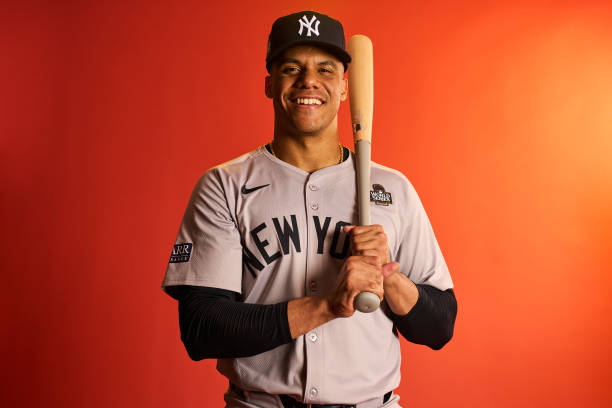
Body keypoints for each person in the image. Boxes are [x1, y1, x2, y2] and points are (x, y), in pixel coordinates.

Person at [162, 10, 457, 408]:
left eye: (325, 69)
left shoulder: (392, 189)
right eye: (291, 67)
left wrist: (388, 277)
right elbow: (202, 328)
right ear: (269, 84)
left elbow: (440, 326)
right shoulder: (224, 186)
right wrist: (325, 306)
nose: (309, 81)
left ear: (344, 88)